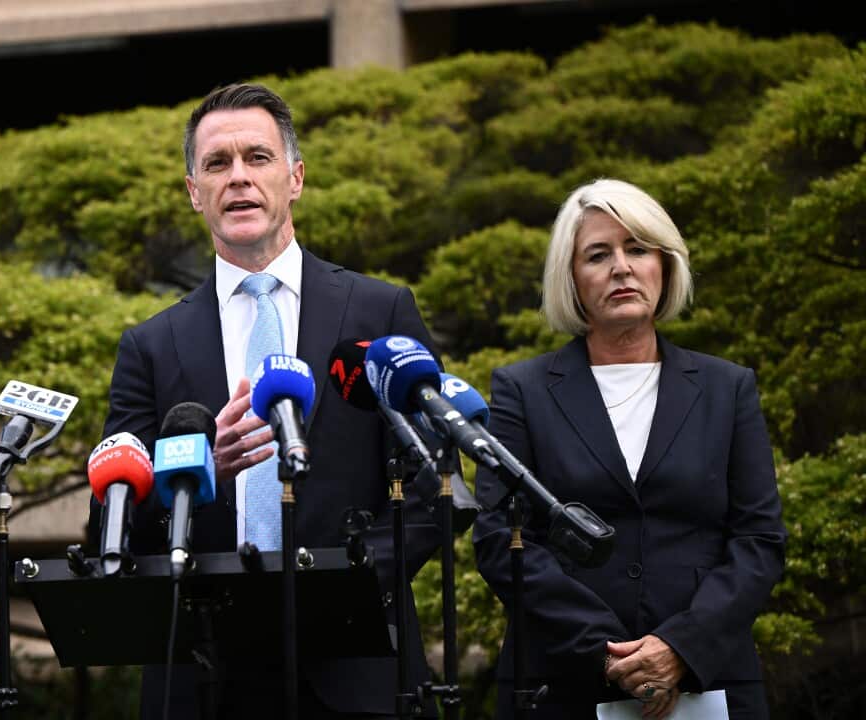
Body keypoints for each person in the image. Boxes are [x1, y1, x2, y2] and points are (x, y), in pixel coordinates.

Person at [94, 83, 443, 718]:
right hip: (204, 670)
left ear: (295, 177)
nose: (238, 178)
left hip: (357, 663)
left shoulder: (379, 310)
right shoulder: (150, 345)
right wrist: (204, 469)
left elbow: (433, 482)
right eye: (216, 164)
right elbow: (114, 522)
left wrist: (346, 585)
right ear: (194, 191)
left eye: (257, 158)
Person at [472, 178, 786, 719]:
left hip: (708, 681)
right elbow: (502, 539)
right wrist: (610, 655)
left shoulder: (728, 388)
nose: (621, 267)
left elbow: (759, 539)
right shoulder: (521, 391)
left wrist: (680, 648)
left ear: (664, 265)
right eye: (598, 255)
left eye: (637, 249)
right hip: (561, 684)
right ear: (571, 278)